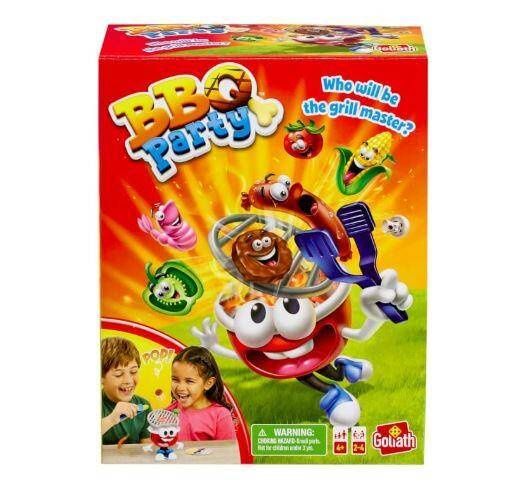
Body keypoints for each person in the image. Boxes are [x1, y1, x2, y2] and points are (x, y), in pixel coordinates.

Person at [167, 346, 236, 441]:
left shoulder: (220, 416)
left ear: (208, 383)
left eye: (189, 381)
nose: (180, 388)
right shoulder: (168, 413)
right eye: (175, 380)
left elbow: (228, 449)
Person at [100, 337, 151, 445]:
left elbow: (146, 446)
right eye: (118, 374)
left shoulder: (144, 405)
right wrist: (111, 419)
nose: (128, 380)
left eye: (133, 371)